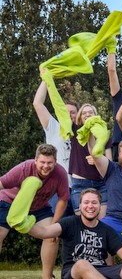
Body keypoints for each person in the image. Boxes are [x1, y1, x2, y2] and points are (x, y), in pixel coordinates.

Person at [31, 188, 122, 279]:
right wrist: (24, 225)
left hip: (101, 271)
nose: (90, 206)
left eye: (94, 203)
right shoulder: (70, 223)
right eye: (86, 202)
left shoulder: (106, 230)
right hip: (74, 272)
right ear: (80, 206)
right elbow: (45, 232)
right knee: (83, 264)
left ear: (99, 206)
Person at [0, 144, 70, 279]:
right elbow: (1, 183)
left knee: (52, 237)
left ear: (55, 162)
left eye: (49, 163)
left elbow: (63, 199)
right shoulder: (24, 168)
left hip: (39, 207)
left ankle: (47, 276)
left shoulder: (60, 173)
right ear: (35, 160)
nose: (46, 166)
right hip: (10, 202)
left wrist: (53, 225)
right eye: (42, 162)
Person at [32, 78, 77, 214]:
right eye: (66, 112)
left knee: (79, 231)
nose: (69, 115)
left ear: (78, 115)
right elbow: (37, 103)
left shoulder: (85, 133)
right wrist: (46, 79)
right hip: (56, 188)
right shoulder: (54, 127)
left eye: (73, 112)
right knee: (52, 228)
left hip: (79, 188)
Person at [70, 104, 111, 219]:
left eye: (90, 112)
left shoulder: (103, 134)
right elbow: (61, 112)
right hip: (80, 183)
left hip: (101, 183)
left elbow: (110, 162)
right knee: (83, 224)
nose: (87, 114)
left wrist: (99, 160)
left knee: (102, 222)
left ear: (96, 115)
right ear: (80, 117)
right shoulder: (75, 131)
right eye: (84, 113)